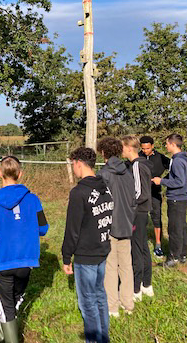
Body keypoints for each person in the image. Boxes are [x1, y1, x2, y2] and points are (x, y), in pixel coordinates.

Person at [0, 156, 49, 343]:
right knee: (13, 301)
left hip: (2, 261)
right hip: (27, 261)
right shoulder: (33, 199)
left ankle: (8, 338)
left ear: (0, 174)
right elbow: (43, 228)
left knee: (6, 306)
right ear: (20, 174)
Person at [62, 147, 113, 343]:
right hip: (102, 249)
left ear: (78, 163)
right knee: (99, 295)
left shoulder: (79, 193)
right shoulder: (105, 187)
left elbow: (72, 229)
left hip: (86, 255)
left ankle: (94, 340)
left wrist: (67, 257)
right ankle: (103, 337)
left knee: (88, 303)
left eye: (72, 165)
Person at [96, 137, 136, 317]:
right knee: (126, 265)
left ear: (103, 152)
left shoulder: (103, 174)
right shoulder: (128, 172)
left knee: (110, 266)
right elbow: (133, 200)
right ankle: (128, 303)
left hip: (110, 224)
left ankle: (112, 307)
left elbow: (100, 203)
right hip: (127, 223)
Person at [122, 136, 154, 301]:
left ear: (128, 148)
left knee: (136, 248)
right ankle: (147, 284)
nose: (121, 150)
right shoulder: (143, 163)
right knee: (143, 247)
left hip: (137, 211)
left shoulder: (136, 165)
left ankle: (135, 289)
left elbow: (139, 192)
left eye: (122, 147)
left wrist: (127, 205)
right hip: (143, 211)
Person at [152, 133, 187, 268]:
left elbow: (179, 181)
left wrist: (161, 181)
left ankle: (173, 257)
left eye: (167, 143)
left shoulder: (178, 161)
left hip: (176, 198)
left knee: (174, 228)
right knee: (181, 227)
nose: (166, 146)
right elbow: (175, 176)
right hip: (181, 198)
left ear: (173, 145)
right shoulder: (180, 159)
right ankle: (182, 254)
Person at [139, 135, 170, 257]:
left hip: (154, 192)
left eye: (147, 148)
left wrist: (163, 180)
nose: (145, 150)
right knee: (140, 217)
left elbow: (173, 168)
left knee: (156, 218)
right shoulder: (138, 156)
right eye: (143, 148)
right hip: (140, 192)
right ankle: (140, 243)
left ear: (152, 146)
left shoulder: (160, 157)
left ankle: (158, 245)